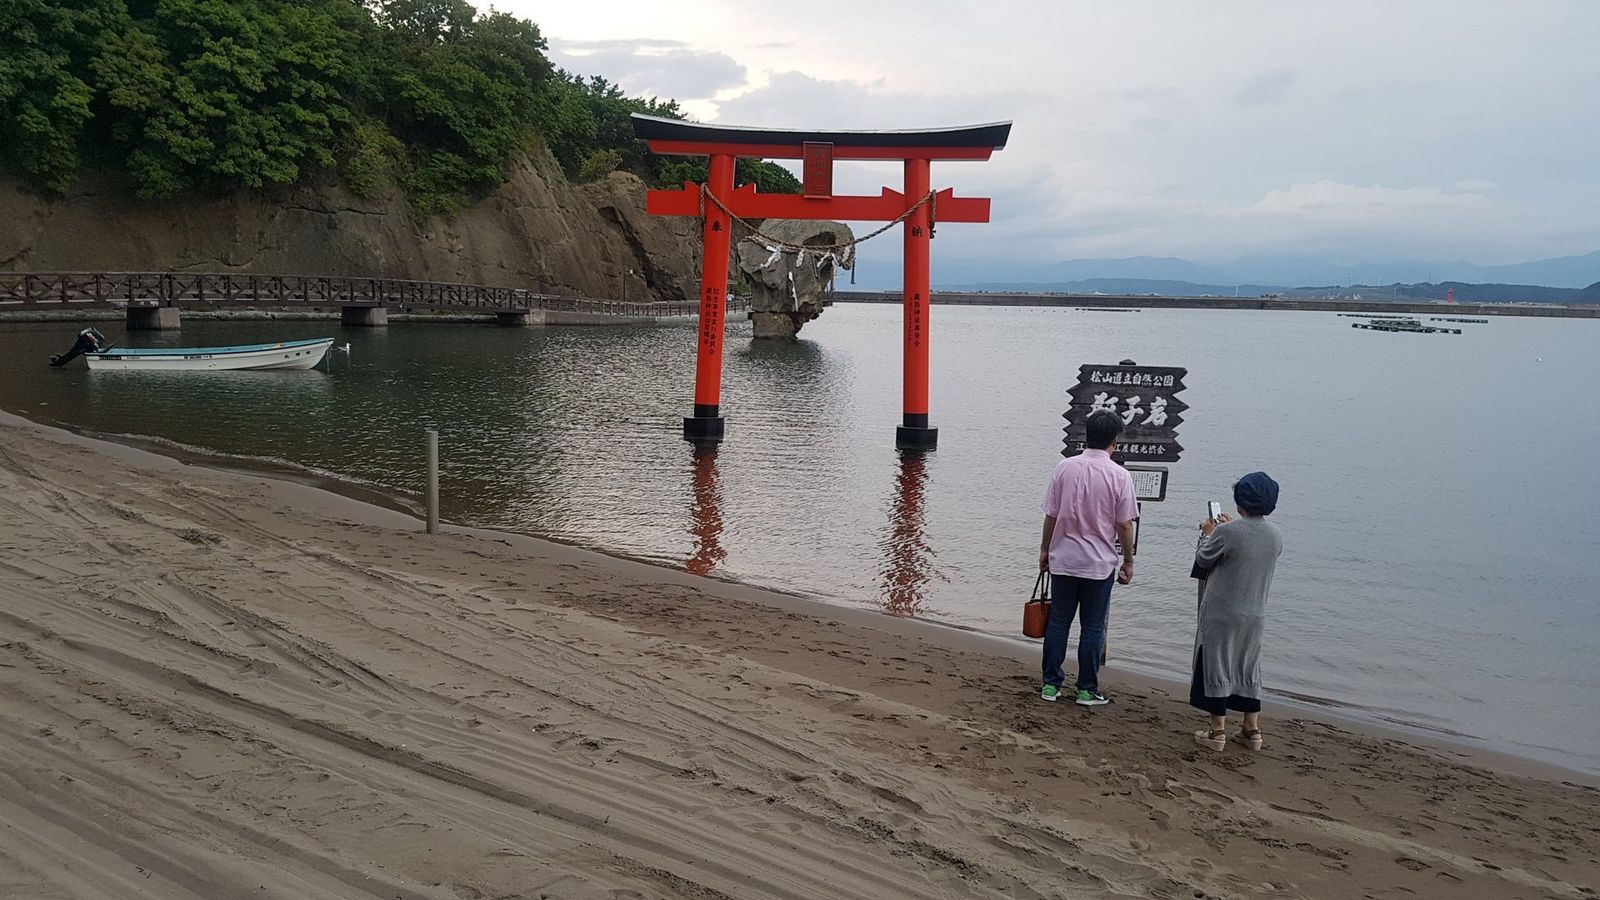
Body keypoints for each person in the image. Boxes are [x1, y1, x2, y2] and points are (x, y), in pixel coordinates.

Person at [1037, 410, 1138, 706]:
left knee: (1058, 622)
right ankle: (1086, 689)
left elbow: (1051, 514)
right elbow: (1125, 525)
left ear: (1086, 435)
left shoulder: (1064, 467)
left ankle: (1050, 685)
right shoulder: (1119, 475)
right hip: (1098, 563)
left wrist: (1044, 549)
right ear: (1114, 441)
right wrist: (1128, 560)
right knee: (1092, 628)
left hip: (1063, 558)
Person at [1190, 472, 1283, 751]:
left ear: (1240, 500)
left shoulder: (1226, 533)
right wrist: (1228, 529)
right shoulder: (1275, 535)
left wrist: (1208, 534)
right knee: (1247, 666)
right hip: (1255, 612)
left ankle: (1217, 731)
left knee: (1217, 663)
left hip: (1222, 611)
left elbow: (1204, 558)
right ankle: (1251, 729)